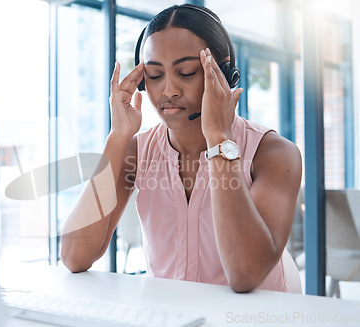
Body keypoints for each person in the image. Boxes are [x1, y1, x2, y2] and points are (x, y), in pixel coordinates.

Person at [60, 4, 302, 293]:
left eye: (186, 72)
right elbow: (74, 257)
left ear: (224, 74)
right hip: (171, 316)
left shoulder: (273, 154)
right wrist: (118, 136)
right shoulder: (137, 151)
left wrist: (219, 139)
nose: (169, 90)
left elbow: (246, 275)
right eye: (155, 74)